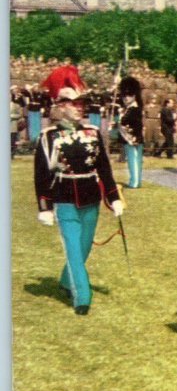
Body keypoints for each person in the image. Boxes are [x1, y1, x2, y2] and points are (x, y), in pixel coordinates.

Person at [35, 65, 124, 314]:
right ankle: (82, 296)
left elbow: (104, 169)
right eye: (75, 104)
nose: (81, 107)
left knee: (84, 247)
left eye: (82, 103)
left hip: (91, 198)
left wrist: (113, 197)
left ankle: (66, 279)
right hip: (63, 198)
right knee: (73, 248)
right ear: (61, 106)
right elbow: (41, 175)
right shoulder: (49, 136)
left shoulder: (93, 133)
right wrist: (44, 206)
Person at [118, 77, 144, 188]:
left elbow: (137, 125)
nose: (125, 98)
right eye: (124, 96)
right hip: (129, 138)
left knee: (134, 161)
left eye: (128, 95)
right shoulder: (128, 109)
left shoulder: (135, 109)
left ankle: (135, 182)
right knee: (133, 160)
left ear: (134, 96)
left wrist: (134, 137)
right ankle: (135, 181)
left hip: (133, 138)